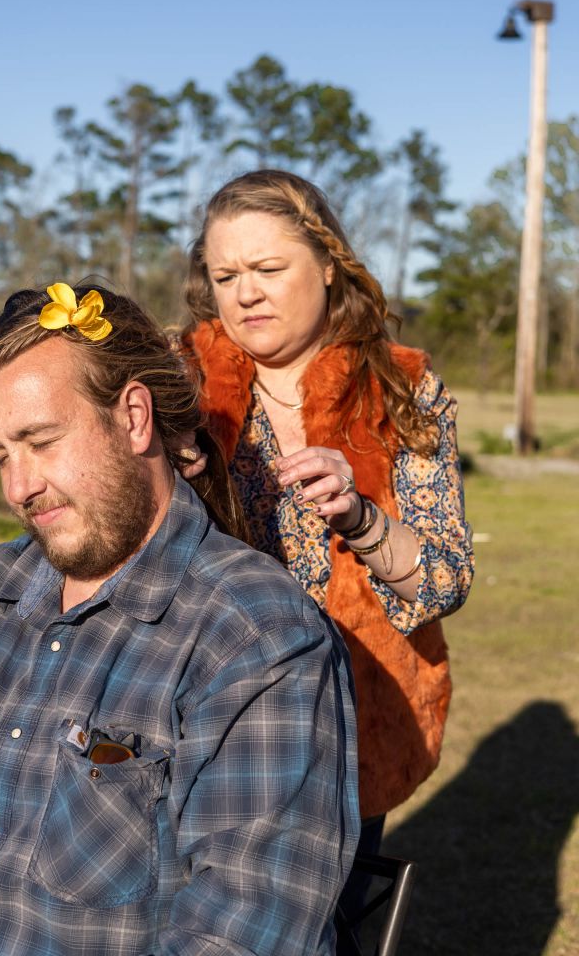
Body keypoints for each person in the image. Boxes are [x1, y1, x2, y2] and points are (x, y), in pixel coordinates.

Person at [0, 281, 359, 956]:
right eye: (0, 456)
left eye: (41, 440)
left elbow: (243, 931)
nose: (19, 487)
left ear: (132, 417)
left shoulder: (256, 637)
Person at [181, 169, 474, 855]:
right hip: (199, 717)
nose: (245, 292)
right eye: (225, 276)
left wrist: (361, 519)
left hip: (350, 728)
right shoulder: (178, 386)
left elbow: (445, 581)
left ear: (329, 267)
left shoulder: (404, 390)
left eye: (268, 268)